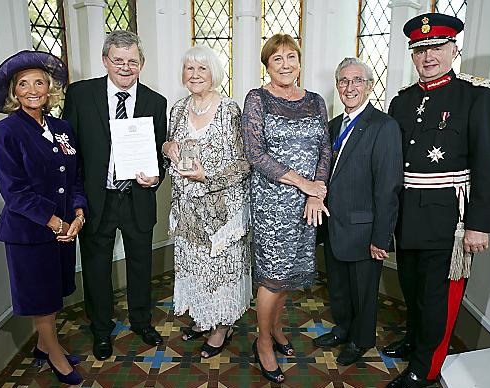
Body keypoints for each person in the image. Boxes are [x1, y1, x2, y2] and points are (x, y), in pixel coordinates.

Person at [383, 13, 490, 388]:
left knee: (437, 299)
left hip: (449, 221)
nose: (427, 56)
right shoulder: (401, 102)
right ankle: (414, 341)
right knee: (413, 289)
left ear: (454, 49)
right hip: (407, 217)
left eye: (436, 47)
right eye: (420, 49)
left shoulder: (479, 97)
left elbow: (489, 165)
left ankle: (426, 368)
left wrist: (479, 225)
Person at [63, 30, 167, 361]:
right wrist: (76, 201)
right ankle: (101, 330)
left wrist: (157, 177)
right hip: (98, 199)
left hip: (137, 197)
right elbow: (71, 153)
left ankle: (141, 321)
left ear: (142, 64)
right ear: (105, 60)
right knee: (96, 268)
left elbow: (159, 155)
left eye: (132, 61)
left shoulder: (155, 101)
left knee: (140, 265)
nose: (125, 67)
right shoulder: (80, 95)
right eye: (118, 60)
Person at [0, 50, 87, 385]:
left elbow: (74, 176)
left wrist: (77, 212)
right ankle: (55, 354)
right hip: (29, 232)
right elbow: (14, 192)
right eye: (24, 84)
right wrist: (55, 223)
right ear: (14, 91)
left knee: (54, 293)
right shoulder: (5, 131)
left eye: (40, 82)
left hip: (62, 228)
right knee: (41, 298)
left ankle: (44, 346)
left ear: (50, 89)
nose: (33, 89)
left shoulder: (62, 127)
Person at [242, 33, 331, 384]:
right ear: (267, 65)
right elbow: (255, 153)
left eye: (291, 57)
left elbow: (325, 149)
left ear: (299, 62)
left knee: (289, 276)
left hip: (308, 204)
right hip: (271, 204)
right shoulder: (257, 99)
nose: (285, 64)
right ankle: (262, 341)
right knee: (273, 277)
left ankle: (276, 329)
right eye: (276, 59)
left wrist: (316, 191)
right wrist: (302, 182)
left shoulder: (316, 101)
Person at [162, 45, 251, 358]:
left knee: (219, 271)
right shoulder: (177, 109)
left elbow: (244, 163)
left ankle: (222, 327)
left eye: (202, 68)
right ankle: (202, 317)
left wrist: (208, 177)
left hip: (221, 213)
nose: (195, 75)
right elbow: (170, 146)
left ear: (214, 73)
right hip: (186, 210)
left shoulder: (230, 110)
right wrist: (167, 147)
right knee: (194, 269)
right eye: (190, 68)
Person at [312, 58, 402, 366]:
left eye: (357, 81)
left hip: (366, 230)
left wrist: (382, 237)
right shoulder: (334, 125)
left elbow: (388, 187)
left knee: (363, 293)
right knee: (338, 287)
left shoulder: (384, 126)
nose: (350, 87)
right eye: (344, 81)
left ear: (369, 85)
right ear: (337, 86)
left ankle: (361, 340)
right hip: (334, 226)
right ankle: (343, 329)